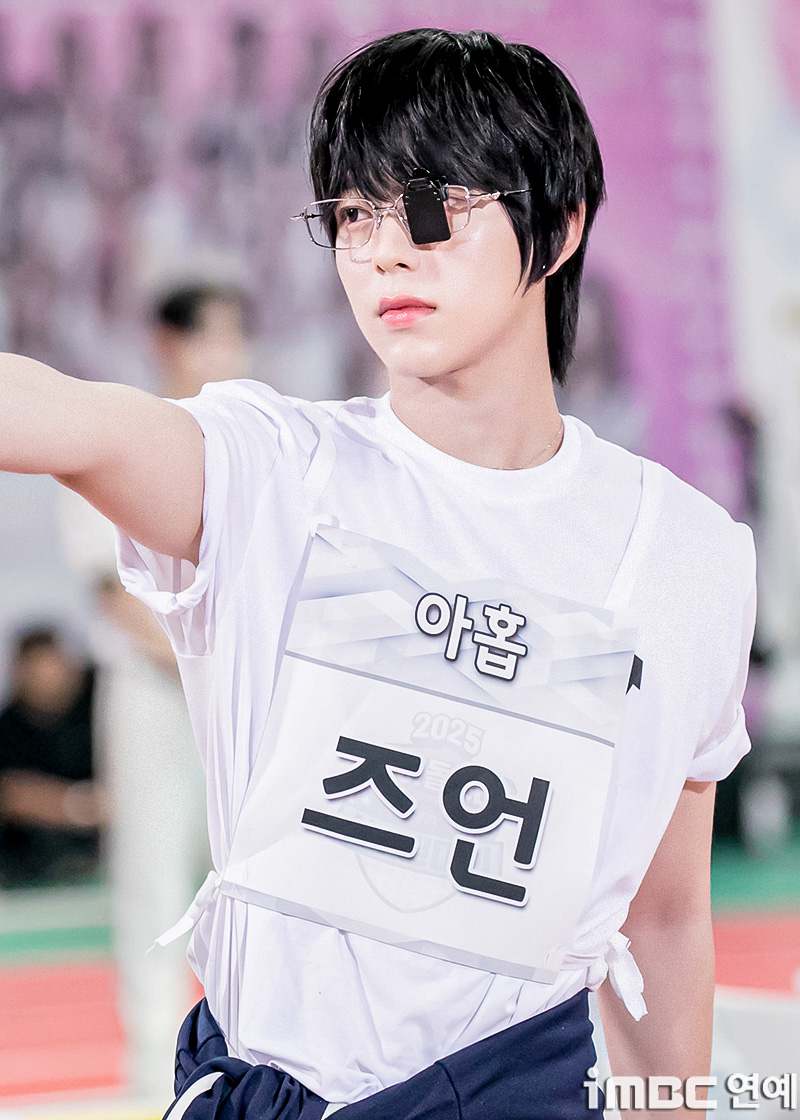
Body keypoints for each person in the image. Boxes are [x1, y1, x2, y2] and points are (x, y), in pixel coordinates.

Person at [0, 29, 755, 1120]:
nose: (386, 251)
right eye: (353, 214)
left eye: (435, 206)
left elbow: (665, 918)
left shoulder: (685, 556)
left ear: (560, 225)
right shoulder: (271, 472)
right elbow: (63, 418)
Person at [58, 280, 251, 1101]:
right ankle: (152, 1077)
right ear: (168, 342)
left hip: (234, 694)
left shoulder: (254, 443)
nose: (229, 353)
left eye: (237, 336)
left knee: (249, 877)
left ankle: (255, 1059)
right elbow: (115, 595)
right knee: (152, 880)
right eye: (213, 335)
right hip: (152, 691)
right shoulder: (119, 432)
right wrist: (204, 660)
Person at [0, 627, 102, 887]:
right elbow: (13, 794)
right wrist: (78, 806)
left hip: (97, 855)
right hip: (30, 865)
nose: (50, 679)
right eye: (39, 670)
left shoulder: (95, 713)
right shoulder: (8, 728)